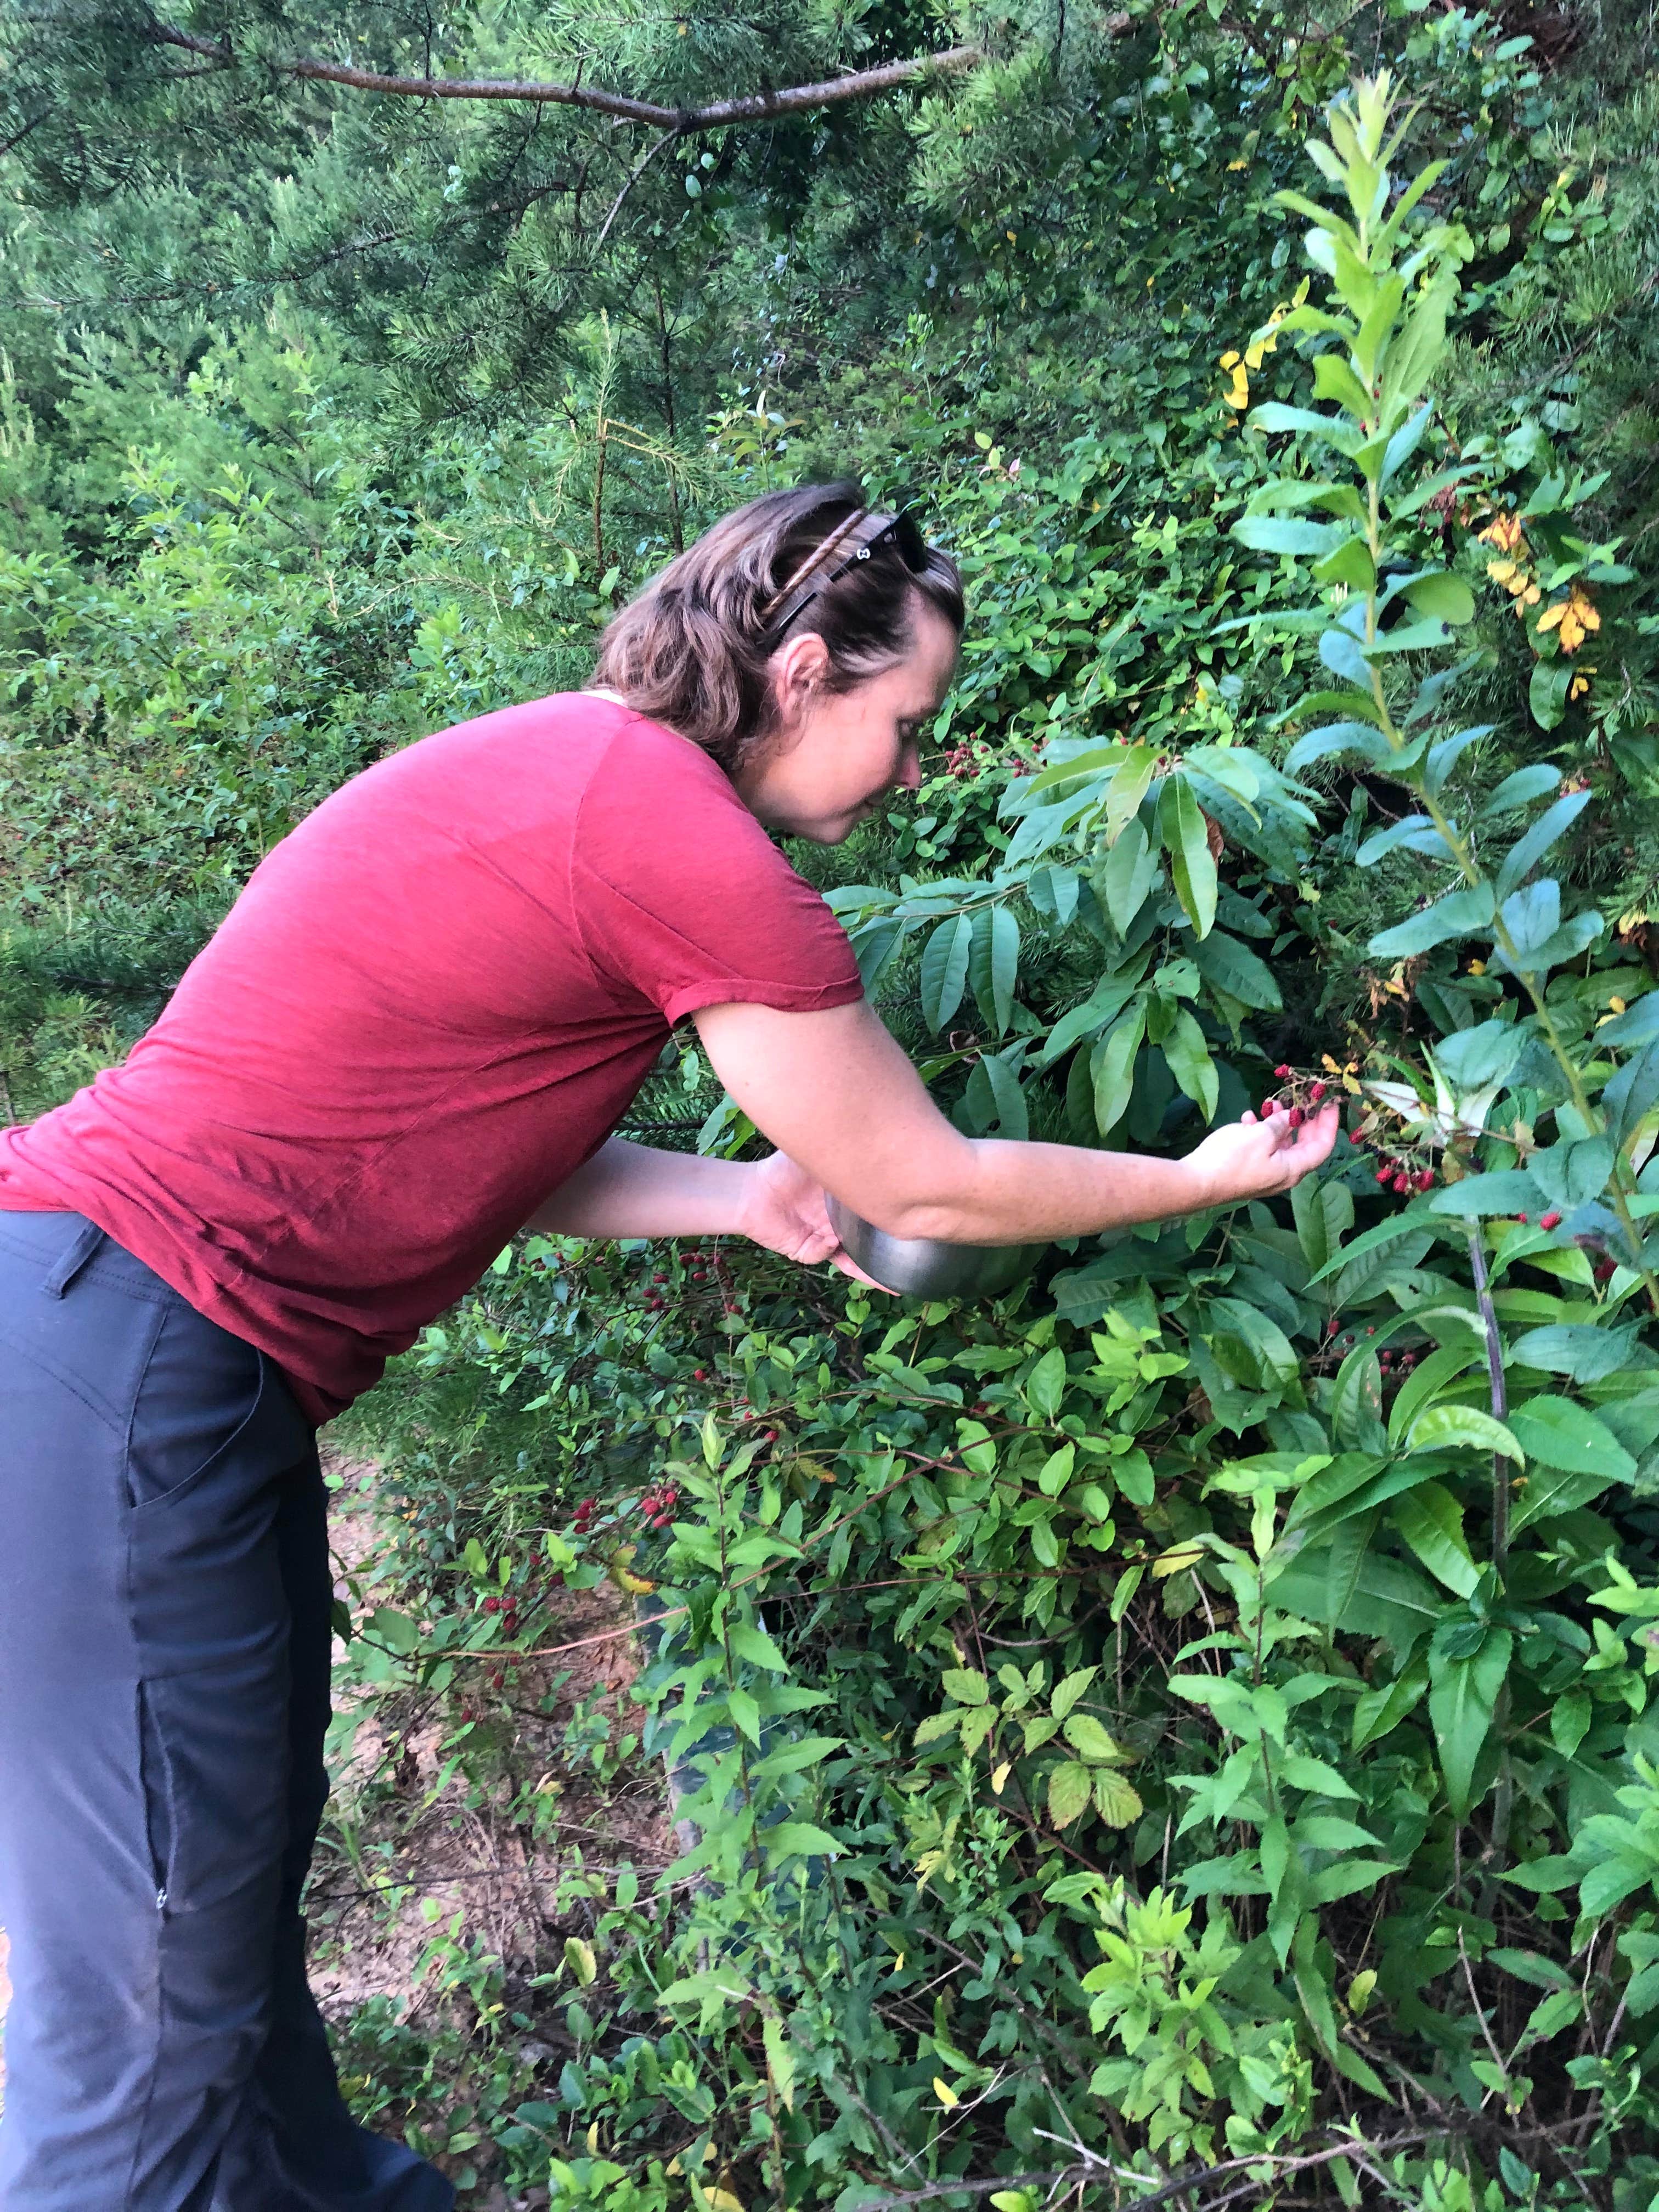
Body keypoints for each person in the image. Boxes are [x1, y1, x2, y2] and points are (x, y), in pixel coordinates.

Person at [0, 482, 1338, 2210]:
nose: (916, 772)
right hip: (124, 1368)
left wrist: (739, 1201)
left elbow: (455, 1129)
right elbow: (922, 1176)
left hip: (111, 1346)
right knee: (146, 2031)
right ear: (800, 673)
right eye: (909, 725)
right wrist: (1190, 1178)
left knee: (222, 1935)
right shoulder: (688, 849)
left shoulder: (569, 766)